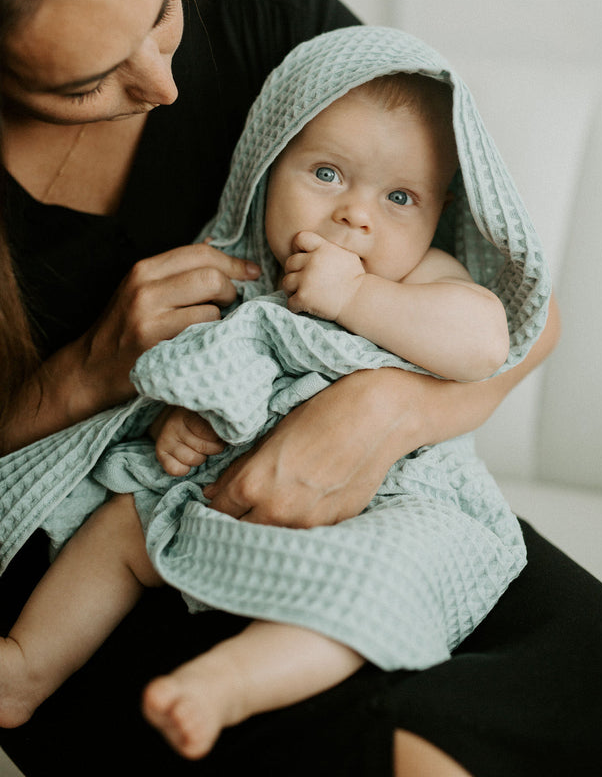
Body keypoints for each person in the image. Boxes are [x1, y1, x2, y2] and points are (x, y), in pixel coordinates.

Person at [0, 0, 602, 776]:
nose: (164, 86)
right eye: (85, 84)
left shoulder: (276, 28)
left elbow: (519, 318)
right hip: (124, 511)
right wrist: (86, 374)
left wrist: (381, 416)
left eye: (161, 8)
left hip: (381, 486)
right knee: (372, 748)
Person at [1, 55, 525, 760]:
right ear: (267, 166)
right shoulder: (239, 273)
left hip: (384, 498)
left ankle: (227, 683)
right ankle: (27, 668)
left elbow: (482, 343)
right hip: (219, 485)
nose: (355, 214)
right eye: (327, 174)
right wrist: (188, 419)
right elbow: (205, 365)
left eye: (400, 197)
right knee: (120, 524)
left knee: (376, 580)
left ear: (438, 215)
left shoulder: (423, 274)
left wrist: (356, 298)